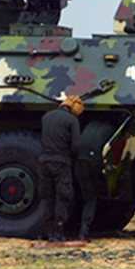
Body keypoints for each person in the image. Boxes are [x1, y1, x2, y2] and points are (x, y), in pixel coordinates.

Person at [39, 95, 82, 243]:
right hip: (61, 162)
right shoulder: (72, 120)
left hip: (45, 161)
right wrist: (73, 158)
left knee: (48, 197)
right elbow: (76, 145)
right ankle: (59, 233)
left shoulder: (46, 117)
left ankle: (50, 233)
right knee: (63, 197)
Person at [74, 120, 115, 242]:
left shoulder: (89, 126)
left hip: (79, 164)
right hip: (93, 163)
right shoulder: (110, 130)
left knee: (85, 195)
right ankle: (84, 232)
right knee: (91, 199)